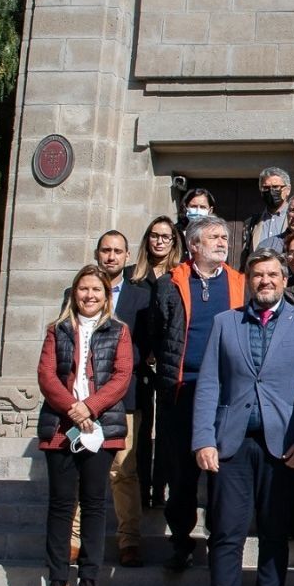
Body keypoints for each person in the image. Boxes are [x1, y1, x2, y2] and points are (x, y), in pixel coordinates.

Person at [189, 250, 294, 586]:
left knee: (274, 536)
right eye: (258, 275)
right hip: (231, 445)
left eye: (273, 274)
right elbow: (210, 385)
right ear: (247, 280)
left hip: (282, 447)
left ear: (285, 280)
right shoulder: (225, 322)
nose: (265, 281)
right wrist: (203, 439)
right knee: (225, 535)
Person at [152, 215, 246, 571]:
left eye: (224, 236)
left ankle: (221, 542)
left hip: (226, 395)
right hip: (181, 390)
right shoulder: (170, 284)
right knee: (181, 474)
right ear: (193, 245)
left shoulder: (240, 283)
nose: (223, 242)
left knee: (222, 471)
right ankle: (181, 542)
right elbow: (159, 332)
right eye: (214, 238)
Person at [36, 265, 133, 586]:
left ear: (106, 296)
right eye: (83, 289)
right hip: (61, 427)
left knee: (94, 505)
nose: (89, 296)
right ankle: (58, 578)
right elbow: (47, 375)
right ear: (74, 293)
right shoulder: (57, 330)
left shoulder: (119, 331)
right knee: (61, 506)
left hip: (101, 427)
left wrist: (90, 407)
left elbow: (121, 376)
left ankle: (89, 580)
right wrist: (71, 408)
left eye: (96, 290)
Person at [88, 230, 152, 567]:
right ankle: (74, 537)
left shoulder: (141, 297)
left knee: (123, 469)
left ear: (127, 256)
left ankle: (129, 539)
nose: (111, 256)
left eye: (117, 251)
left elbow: (145, 346)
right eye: (105, 250)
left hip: (124, 397)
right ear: (97, 253)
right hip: (83, 398)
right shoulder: (79, 292)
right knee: (81, 466)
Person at [131, 216, 182, 510]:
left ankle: (159, 489)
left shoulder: (179, 277)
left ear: (174, 241)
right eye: (154, 235)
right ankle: (140, 488)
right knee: (140, 429)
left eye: (166, 236)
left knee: (164, 431)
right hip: (138, 362)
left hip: (166, 364)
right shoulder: (133, 277)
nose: (159, 241)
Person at [239, 166, 292, 266]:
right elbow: (246, 259)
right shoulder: (251, 223)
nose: (271, 191)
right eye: (266, 188)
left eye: (276, 187)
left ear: (288, 190)